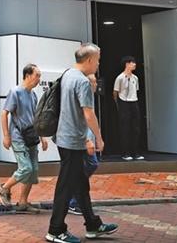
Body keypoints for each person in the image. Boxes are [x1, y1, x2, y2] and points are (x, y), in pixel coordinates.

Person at [46, 43, 118, 243]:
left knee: (80, 185)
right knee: (66, 187)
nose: (98, 64)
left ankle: (93, 225)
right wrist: (98, 137)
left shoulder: (67, 75)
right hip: (72, 141)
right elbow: (88, 113)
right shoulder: (82, 82)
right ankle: (55, 230)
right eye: (98, 60)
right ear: (89, 60)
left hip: (65, 139)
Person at [0, 63, 48, 213]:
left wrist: (43, 137)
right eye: (37, 75)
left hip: (31, 136)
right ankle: (4, 188)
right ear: (27, 75)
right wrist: (6, 136)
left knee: (33, 170)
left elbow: (36, 118)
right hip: (18, 136)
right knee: (26, 168)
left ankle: (23, 202)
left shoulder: (33, 95)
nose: (39, 79)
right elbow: (4, 114)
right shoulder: (15, 92)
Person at [68, 74, 100, 216]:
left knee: (86, 168)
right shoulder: (83, 97)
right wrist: (88, 140)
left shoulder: (90, 98)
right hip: (82, 142)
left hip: (86, 140)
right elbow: (81, 121)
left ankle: (74, 199)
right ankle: (73, 201)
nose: (95, 85)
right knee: (89, 166)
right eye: (93, 82)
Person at [113, 56, 144, 161]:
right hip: (123, 102)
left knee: (136, 128)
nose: (134, 64)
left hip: (134, 101)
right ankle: (125, 153)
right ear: (127, 64)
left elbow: (136, 90)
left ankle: (135, 152)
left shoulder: (135, 78)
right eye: (132, 62)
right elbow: (115, 92)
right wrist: (119, 104)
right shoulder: (120, 78)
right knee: (125, 128)